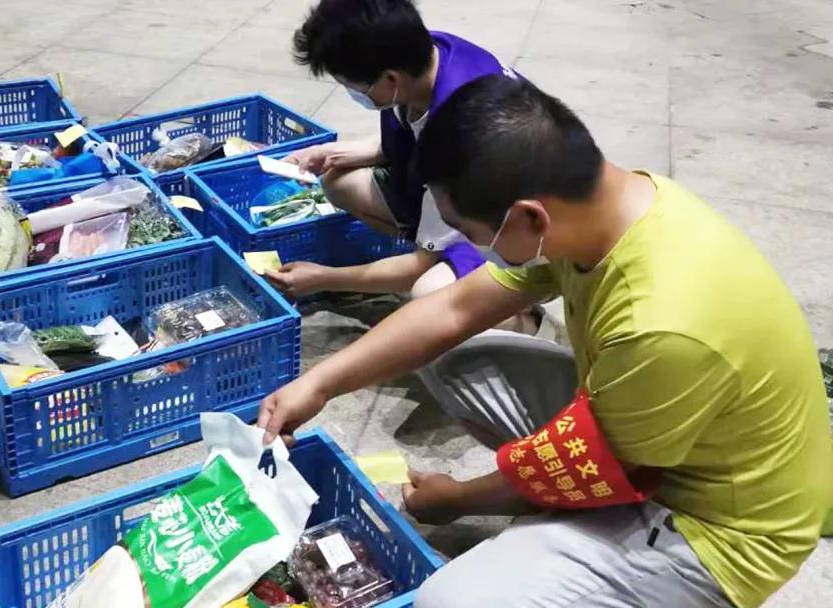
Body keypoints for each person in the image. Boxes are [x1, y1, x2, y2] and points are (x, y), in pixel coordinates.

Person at [258, 75, 832, 607]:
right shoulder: (606, 208)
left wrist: (455, 498)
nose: (470, 246)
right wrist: (319, 383)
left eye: (473, 232)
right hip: (649, 425)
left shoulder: (662, 323)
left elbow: (612, 468)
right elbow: (454, 309)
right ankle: (558, 536)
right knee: (458, 357)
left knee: (448, 600)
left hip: (711, 525)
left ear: (530, 218)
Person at [268, 0, 512, 302]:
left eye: (354, 87)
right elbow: (404, 136)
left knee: (428, 292)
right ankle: (420, 253)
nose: (354, 93)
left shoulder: (456, 136)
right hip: (465, 190)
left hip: (511, 231)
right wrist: (327, 153)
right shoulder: (425, 54)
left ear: (391, 79)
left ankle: (520, 316)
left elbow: (420, 265)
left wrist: (323, 278)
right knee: (339, 183)